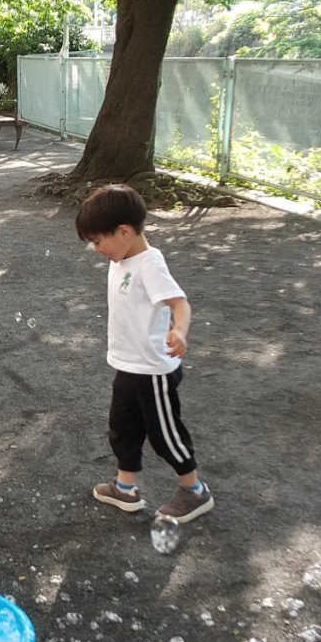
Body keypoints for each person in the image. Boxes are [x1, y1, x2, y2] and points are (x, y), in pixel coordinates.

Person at [75, 184, 214, 523]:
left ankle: (194, 491)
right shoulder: (122, 256)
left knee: (164, 434)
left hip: (153, 370)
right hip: (128, 365)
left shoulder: (149, 264)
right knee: (122, 428)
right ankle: (125, 488)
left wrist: (179, 330)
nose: (96, 249)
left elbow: (179, 304)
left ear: (124, 231)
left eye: (97, 241)